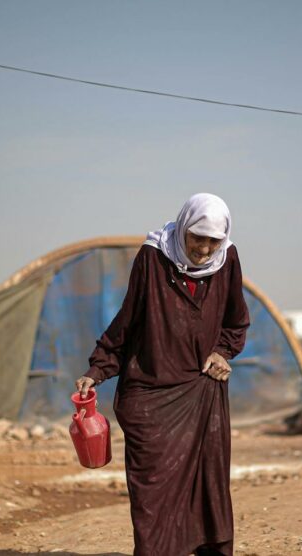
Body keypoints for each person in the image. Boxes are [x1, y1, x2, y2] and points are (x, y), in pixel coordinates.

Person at [75, 193, 249, 556]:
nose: (204, 249)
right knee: (152, 490)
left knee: (207, 485)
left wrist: (221, 352)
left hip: (202, 392)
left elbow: (236, 320)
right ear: (183, 228)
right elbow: (129, 318)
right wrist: (99, 367)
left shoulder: (227, 258)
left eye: (213, 241)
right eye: (197, 238)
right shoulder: (153, 257)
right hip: (150, 392)